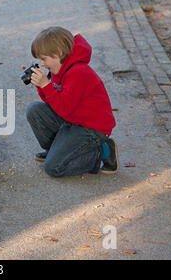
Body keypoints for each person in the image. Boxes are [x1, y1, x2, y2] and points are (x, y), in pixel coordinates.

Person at [25, 26, 119, 177]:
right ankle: (56, 150)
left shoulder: (78, 72)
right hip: (73, 119)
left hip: (91, 128)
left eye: (44, 58)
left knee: (53, 168)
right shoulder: (59, 68)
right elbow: (53, 102)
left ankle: (101, 152)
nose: (42, 63)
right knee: (34, 109)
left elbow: (64, 108)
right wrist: (40, 85)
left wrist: (45, 85)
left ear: (58, 53)